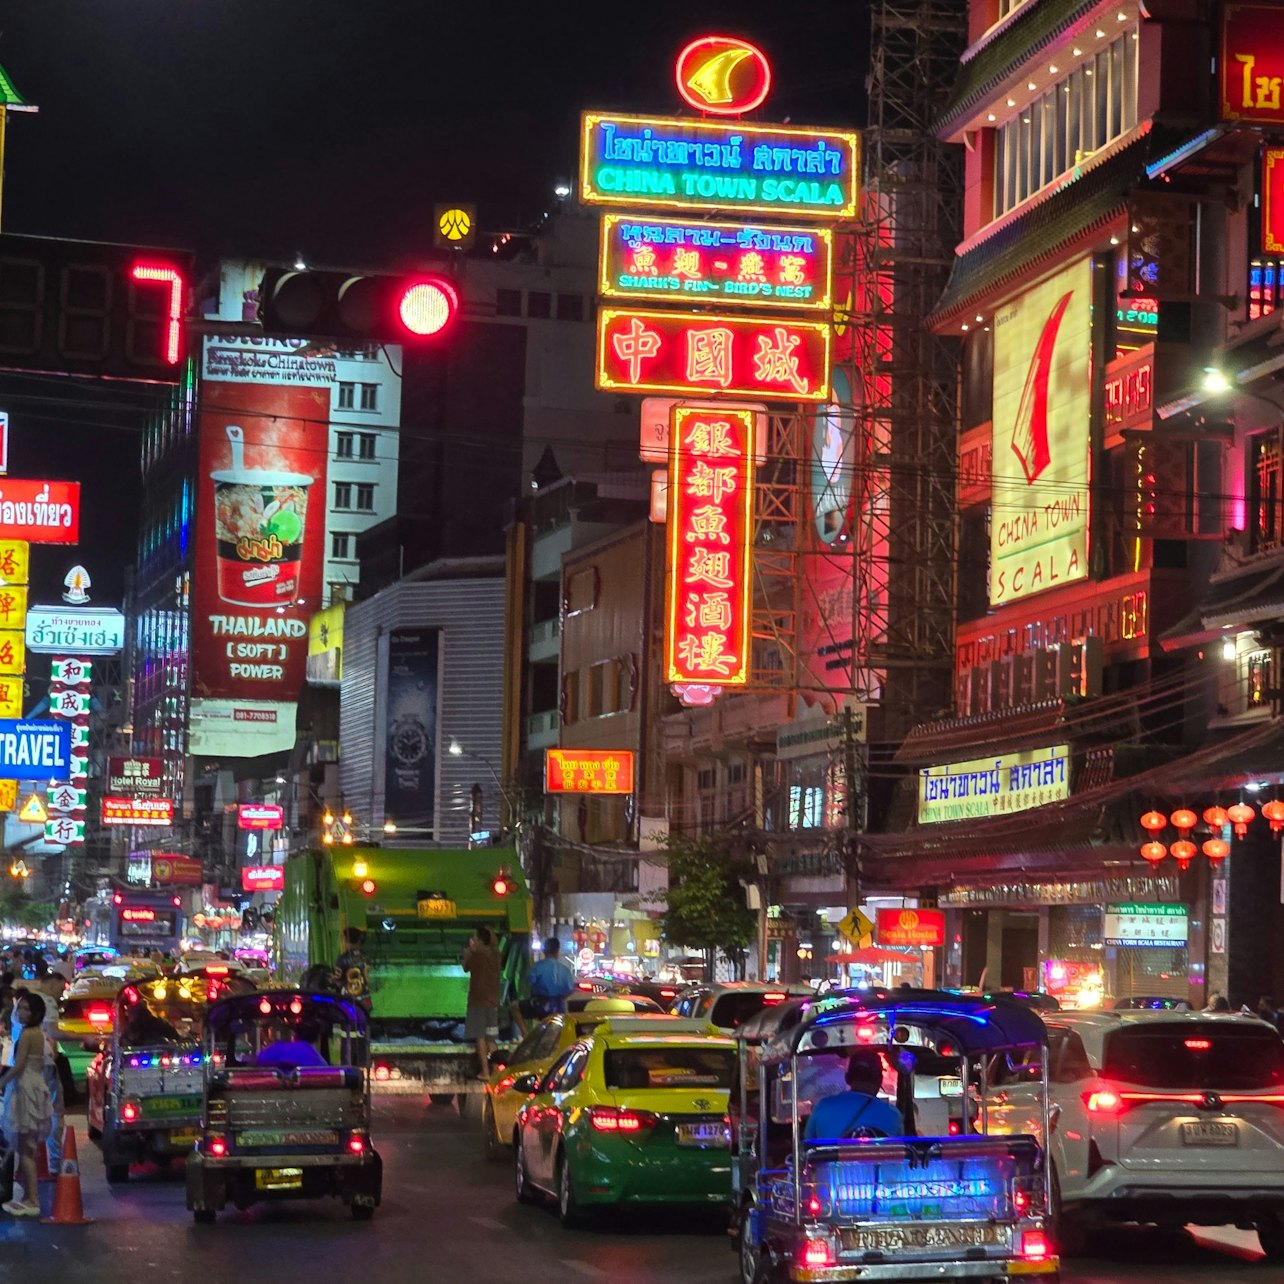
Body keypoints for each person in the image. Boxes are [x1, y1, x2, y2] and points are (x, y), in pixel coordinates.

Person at [0, 993, 54, 1216]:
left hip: (25, 1089)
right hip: (34, 1086)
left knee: (25, 1150)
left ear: (36, 1013)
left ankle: (32, 1200)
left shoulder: (28, 1033)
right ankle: (28, 1197)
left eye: (26, 1009)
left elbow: (19, 1064)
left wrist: (2, 1081)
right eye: (20, 1008)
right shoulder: (37, 1033)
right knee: (27, 1147)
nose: (21, 1012)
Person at [804, 1049, 904, 1142]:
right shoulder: (893, 1115)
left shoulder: (822, 1107)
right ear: (880, 1079)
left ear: (847, 1078)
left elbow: (807, 1145)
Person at [461, 926, 501, 1077]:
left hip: (478, 1002)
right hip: (492, 1002)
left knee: (480, 1037)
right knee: (491, 1039)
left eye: (474, 938)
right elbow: (494, 943)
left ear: (479, 941)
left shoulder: (476, 955)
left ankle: (485, 1071)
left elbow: (465, 967)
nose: (473, 940)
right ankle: (496, 1071)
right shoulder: (496, 955)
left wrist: (466, 953)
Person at [525, 937, 576, 1020]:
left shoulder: (538, 966)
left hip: (540, 1005)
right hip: (559, 1007)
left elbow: (530, 982)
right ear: (558, 951)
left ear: (544, 951)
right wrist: (560, 997)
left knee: (514, 1007)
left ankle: (524, 1029)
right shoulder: (565, 969)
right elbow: (571, 989)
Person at [335, 927, 372, 1015]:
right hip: (366, 999)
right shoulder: (366, 956)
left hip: (350, 1001)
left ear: (346, 940)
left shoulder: (342, 959)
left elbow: (338, 982)